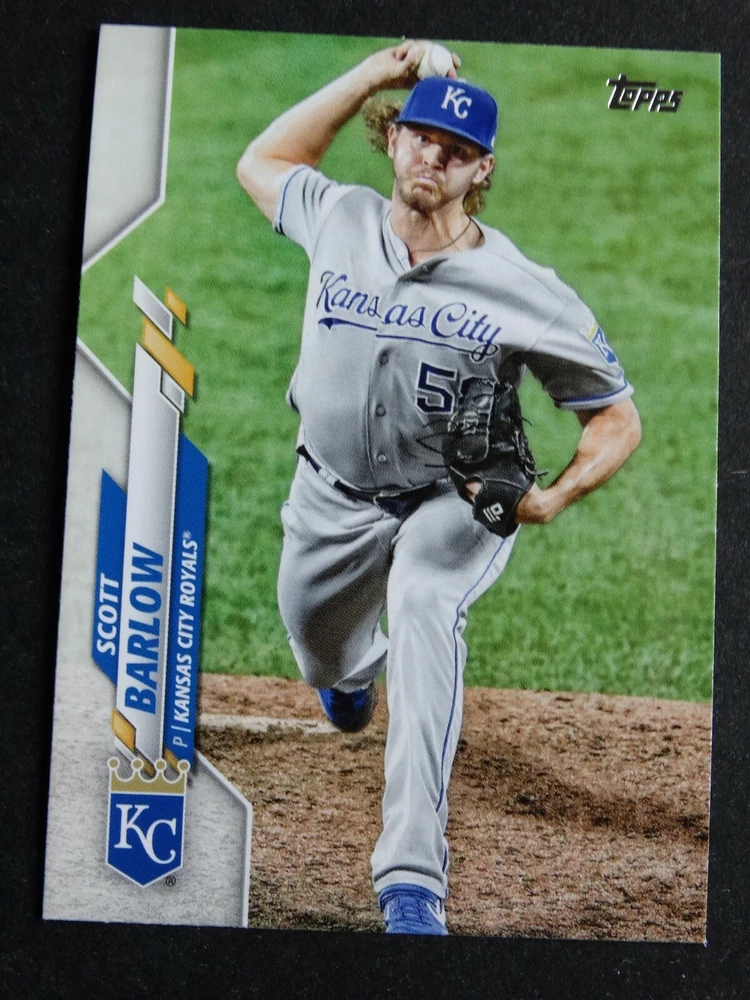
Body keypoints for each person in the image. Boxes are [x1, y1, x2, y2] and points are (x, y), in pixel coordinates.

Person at [236, 40, 641, 935]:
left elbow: (616, 417)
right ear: (394, 140)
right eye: (422, 137)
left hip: (449, 504)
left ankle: (411, 883)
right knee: (321, 658)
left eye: (458, 152)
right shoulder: (338, 217)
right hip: (330, 498)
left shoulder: (523, 288)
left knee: (423, 603)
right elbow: (261, 161)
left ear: (480, 171)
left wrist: (552, 497)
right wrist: (376, 72)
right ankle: (350, 677)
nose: (435, 158)